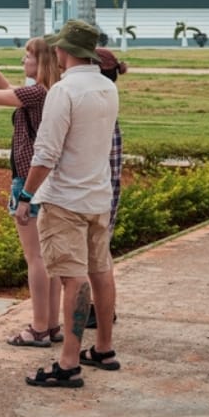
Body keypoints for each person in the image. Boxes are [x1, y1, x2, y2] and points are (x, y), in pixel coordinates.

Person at [18, 19, 120, 388]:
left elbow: (46, 152)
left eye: (58, 47)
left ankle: (68, 362)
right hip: (97, 195)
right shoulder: (107, 87)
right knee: (101, 271)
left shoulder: (64, 91)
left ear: (66, 51)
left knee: (72, 278)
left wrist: (26, 195)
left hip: (65, 199)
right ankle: (104, 348)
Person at [0, 34, 63, 347]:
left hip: (29, 181)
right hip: (50, 181)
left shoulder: (36, 92)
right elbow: (7, 91)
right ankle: (52, 323)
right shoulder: (48, 90)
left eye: (27, 56)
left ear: (40, 61)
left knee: (36, 259)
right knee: (51, 258)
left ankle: (38, 327)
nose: (23, 61)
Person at [86, 47, 128, 329]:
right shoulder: (107, 102)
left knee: (96, 261)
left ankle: (99, 309)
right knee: (101, 257)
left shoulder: (97, 107)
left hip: (96, 194)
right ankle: (103, 310)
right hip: (107, 192)